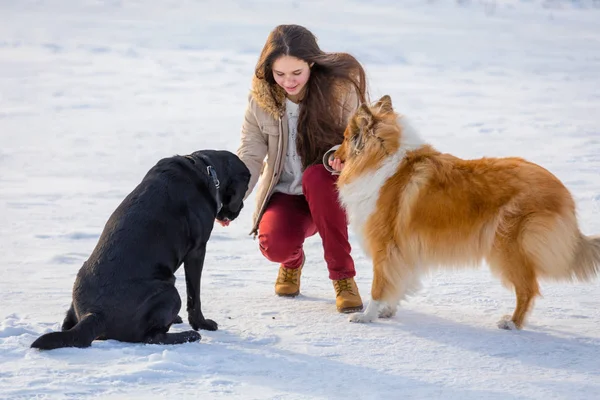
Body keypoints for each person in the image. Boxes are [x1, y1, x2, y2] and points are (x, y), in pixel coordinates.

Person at [227, 24, 369, 313]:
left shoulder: (338, 91)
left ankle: (344, 279)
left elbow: (357, 138)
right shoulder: (260, 101)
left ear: (312, 64)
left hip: (327, 189)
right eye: (280, 74)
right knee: (274, 244)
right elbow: (250, 155)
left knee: (316, 176)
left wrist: (339, 156)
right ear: (269, 70)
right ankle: (292, 262)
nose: (288, 82)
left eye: (296, 73)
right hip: (285, 193)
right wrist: (230, 198)